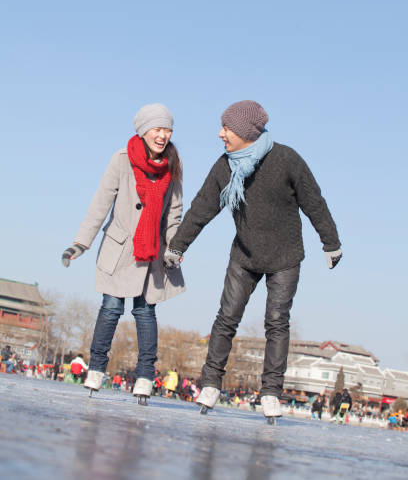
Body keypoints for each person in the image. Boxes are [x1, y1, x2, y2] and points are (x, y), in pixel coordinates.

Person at [164, 100, 342, 421]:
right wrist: (178, 246)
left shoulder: (287, 160)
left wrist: (331, 244)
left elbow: (314, 201)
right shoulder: (225, 166)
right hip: (244, 254)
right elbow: (203, 207)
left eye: (226, 129)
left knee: (276, 321)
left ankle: (271, 392)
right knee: (227, 317)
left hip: (285, 256)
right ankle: (210, 384)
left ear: (246, 131)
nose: (220, 134)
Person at [61, 104, 185, 402]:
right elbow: (101, 203)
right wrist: (81, 242)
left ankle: (144, 377)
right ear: (143, 131)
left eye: (167, 129)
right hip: (120, 248)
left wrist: (174, 247)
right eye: (157, 128)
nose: (162, 135)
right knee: (111, 307)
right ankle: (96, 368)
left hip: (152, 250)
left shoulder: (173, 167)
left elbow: (174, 213)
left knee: (145, 311)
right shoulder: (121, 160)